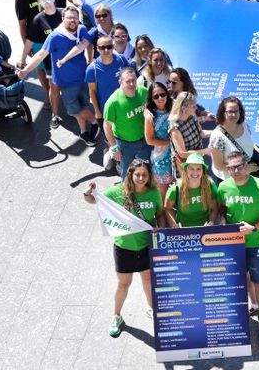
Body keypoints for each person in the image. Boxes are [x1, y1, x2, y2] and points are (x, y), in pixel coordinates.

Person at [81, 160, 162, 337]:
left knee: (148, 278)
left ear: (149, 176)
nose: (140, 178)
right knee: (124, 284)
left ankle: (151, 308)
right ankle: (116, 316)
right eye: (137, 174)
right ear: (130, 175)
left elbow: (160, 213)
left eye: (144, 175)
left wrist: (159, 227)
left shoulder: (154, 193)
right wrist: (88, 192)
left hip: (146, 245)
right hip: (124, 247)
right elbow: (93, 200)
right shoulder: (117, 192)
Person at [217, 151, 259, 346]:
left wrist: (255, 228)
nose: (236, 171)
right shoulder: (223, 187)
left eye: (239, 166)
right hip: (233, 245)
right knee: (242, 278)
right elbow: (221, 209)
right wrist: (223, 221)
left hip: (255, 243)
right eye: (231, 168)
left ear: (247, 166)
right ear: (227, 169)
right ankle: (252, 305)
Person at [19, 6, 98, 145]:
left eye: (75, 17)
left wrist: (90, 60)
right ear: (63, 19)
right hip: (66, 83)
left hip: (83, 79)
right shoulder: (55, 36)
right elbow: (41, 55)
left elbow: (87, 45)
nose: (72, 21)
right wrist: (26, 70)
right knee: (74, 111)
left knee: (83, 107)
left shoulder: (82, 29)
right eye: (69, 18)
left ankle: (84, 133)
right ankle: (96, 121)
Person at [22, 0, 63, 128]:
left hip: (67, 58)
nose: (47, 3)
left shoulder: (64, 13)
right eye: (44, 1)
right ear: (40, 4)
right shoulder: (38, 20)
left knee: (71, 87)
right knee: (54, 87)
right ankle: (55, 114)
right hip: (50, 60)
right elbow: (30, 41)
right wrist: (23, 59)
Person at [102, 67, 151, 180]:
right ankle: (126, 194)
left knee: (145, 169)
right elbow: (107, 125)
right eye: (127, 81)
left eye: (133, 80)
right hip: (124, 144)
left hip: (144, 141)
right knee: (127, 172)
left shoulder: (143, 91)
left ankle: (145, 193)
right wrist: (114, 147)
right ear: (120, 82)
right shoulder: (113, 102)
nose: (132, 84)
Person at [207, 96, 259, 181]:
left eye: (236, 111)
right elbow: (219, 166)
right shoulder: (218, 137)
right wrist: (243, 170)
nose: (233, 115)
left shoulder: (243, 124)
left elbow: (247, 142)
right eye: (230, 112)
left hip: (248, 172)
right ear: (223, 113)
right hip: (230, 179)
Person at [85, 35, 132, 128]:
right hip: (106, 110)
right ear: (97, 49)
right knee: (110, 140)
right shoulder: (92, 69)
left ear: (113, 46)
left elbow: (130, 80)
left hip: (125, 106)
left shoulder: (122, 60)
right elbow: (92, 91)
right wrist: (97, 111)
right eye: (102, 48)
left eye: (109, 47)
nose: (106, 50)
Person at [164, 153, 219, 227]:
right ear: (186, 170)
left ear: (203, 171)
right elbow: (167, 208)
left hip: (205, 228)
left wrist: (211, 222)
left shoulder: (210, 185)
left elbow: (214, 209)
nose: (195, 172)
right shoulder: (175, 188)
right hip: (183, 230)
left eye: (198, 169)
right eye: (191, 168)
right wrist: (174, 225)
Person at [145, 82, 174, 199]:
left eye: (162, 94)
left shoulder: (174, 107)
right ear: (152, 99)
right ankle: (162, 213)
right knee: (163, 190)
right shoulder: (150, 116)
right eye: (156, 96)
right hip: (162, 158)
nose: (160, 98)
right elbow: (149, 140)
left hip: (178, 153)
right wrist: (171, 143)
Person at [168, 92, 210, 170]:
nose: (196, 108)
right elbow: (183, 154)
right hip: (186, 165)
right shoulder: (175, 128)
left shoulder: (192, 116)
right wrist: (205, 151)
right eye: (193, 106)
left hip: (198, 160)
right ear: (184, 108)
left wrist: (217, 132)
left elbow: (201, 133)